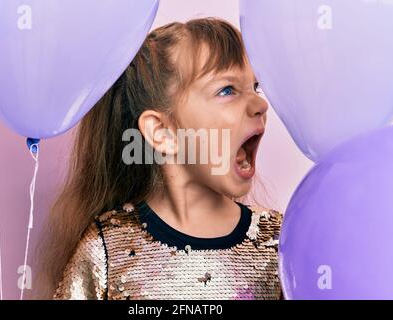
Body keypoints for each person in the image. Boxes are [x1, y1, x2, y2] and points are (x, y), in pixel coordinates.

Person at [36, 18, 283, 300]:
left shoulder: (280, 243)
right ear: (162, 132)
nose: (261, 104)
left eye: (255, 87)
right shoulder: (107, 249)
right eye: (227, 90)